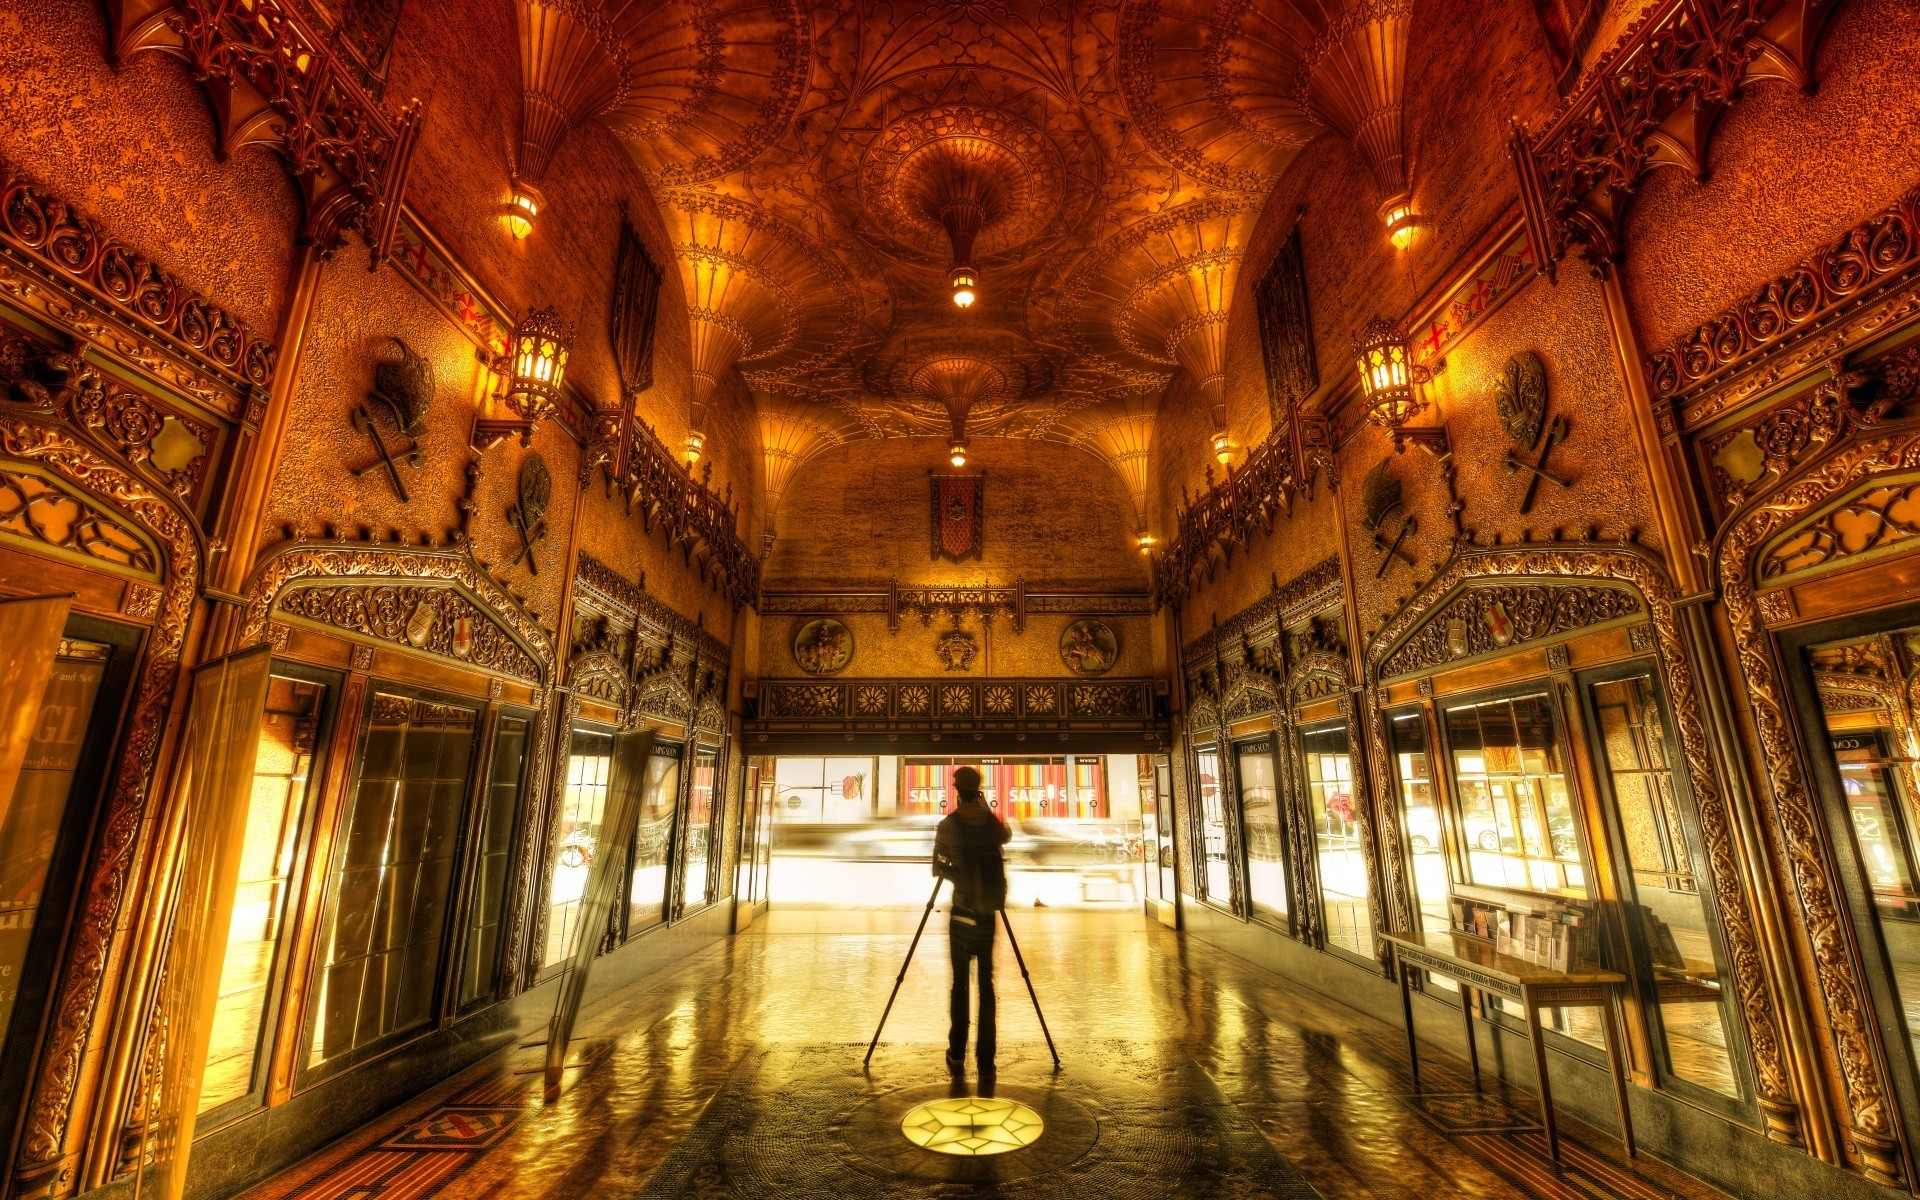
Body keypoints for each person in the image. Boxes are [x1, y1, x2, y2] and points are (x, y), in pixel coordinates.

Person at [932, 766, 1010, 1077]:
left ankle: (957, 1052)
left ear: (955, 790)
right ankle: (987, 1061)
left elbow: (937, 867)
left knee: (960, 983)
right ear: (977, 789)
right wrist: (984, 803)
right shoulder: (990, 824)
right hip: (987, 913)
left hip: (962, 914)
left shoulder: (949, 825)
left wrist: (957, 872)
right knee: (987, 984)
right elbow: (1006, 834)